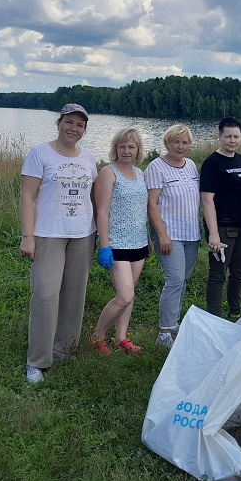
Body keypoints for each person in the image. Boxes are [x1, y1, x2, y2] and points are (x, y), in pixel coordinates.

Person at [20, 103, 97, 384]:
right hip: (48, 233)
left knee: (75, 292)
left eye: (80, 125)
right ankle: (37, 360)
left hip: (83, 234)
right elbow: (27, 197)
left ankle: (65, 346)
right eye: (69, 122)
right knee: (45, 294)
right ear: (59, 123)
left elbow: (95, 198)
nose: (73, 129)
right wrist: (28, 236)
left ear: (84, 130)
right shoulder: (40, 154)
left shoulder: (89, 158)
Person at [89, 127, 149, 356]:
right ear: (115, 148)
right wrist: (105, 246)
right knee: (124, 295)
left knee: (130, 294)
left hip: (139, 243)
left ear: (137, 150)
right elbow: (102, 212)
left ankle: (121, 338)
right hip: (117, 244)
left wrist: (147, 242)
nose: (126, 151)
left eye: (131, 147)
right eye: (122, 146)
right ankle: (97, 336)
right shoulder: (108, 172)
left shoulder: (140, 173)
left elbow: (140, 209)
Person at [145, 124, 201, 349]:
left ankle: (173, 322)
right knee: (175, 280)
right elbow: (151, 204)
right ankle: (163, 333)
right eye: (175, 142)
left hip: (191, 234)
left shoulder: (191, 165)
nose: (180, 146)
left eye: (185, 142)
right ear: (167, 143)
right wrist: (162, 235)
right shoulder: (156, 167)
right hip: (169, 235)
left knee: (183, 281)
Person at [200, 117, 241, 318]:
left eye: (236, 136)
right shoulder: (212, 163)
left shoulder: (240, 159)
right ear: (219, 136)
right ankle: (213, 318)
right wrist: (214, 234)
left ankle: (235, 312)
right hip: (223, 227)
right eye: (228, 136)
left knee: (239, 271)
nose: (232, 140)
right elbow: (207, 200)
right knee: (218, 274)